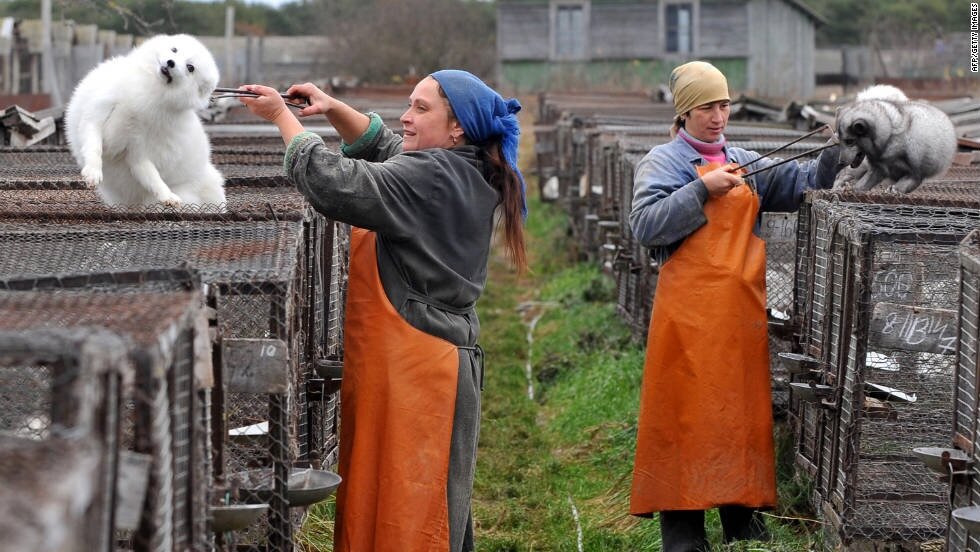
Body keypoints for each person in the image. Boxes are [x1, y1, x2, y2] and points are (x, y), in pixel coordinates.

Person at [238, 70, 526, 552]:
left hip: (415, 375)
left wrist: (281, 117)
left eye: (421, 108)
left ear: (457, 128)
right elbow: (389, 147)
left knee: (410, 513)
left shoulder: (431, 176)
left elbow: (332, 181)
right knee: (415, 501)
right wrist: (330, 107)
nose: (406, 117)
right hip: (419, 363)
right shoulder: (465, 166)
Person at [628, 61, 840, 552]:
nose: (718, 115)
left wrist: (838, 150)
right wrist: (701, 189)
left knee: (737, 417)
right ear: (685, 112)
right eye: (707, 107)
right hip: (687, 320)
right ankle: (683, 534)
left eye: (724, 105)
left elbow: (806, 183)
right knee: (685, 418)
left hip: (738, 318)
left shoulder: (743, 158)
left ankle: (743, 524)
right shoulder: (663, 163)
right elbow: (645, 226)